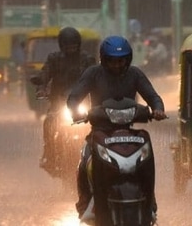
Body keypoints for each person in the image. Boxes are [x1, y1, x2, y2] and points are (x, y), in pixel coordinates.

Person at [67, 35, 167, 223]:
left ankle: (150, 202)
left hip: (129, 133)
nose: (117, 65)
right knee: (84, 162)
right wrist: (75, 111)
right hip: (98, 133)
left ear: (128, 59)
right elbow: (74, 97)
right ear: (104, 60)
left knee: (146, 160)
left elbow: (153, 96)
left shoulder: (135, 74)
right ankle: (85, 203)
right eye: (112, 61)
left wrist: (158, 109)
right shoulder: (93, 73)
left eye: (121, 61)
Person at [32, 27, 96, 172]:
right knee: (48, 123)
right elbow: (45, 73)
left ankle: (99, 153)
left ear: (79, 44)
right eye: (68, 46)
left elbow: (96, 76)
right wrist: (41, 85)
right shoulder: (54, 59)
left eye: (74, 46)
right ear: (62, 46)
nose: (71, 49)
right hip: (58, 103)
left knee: (98, 124)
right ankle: (48, 154)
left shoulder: (87, 59)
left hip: (82, 103)